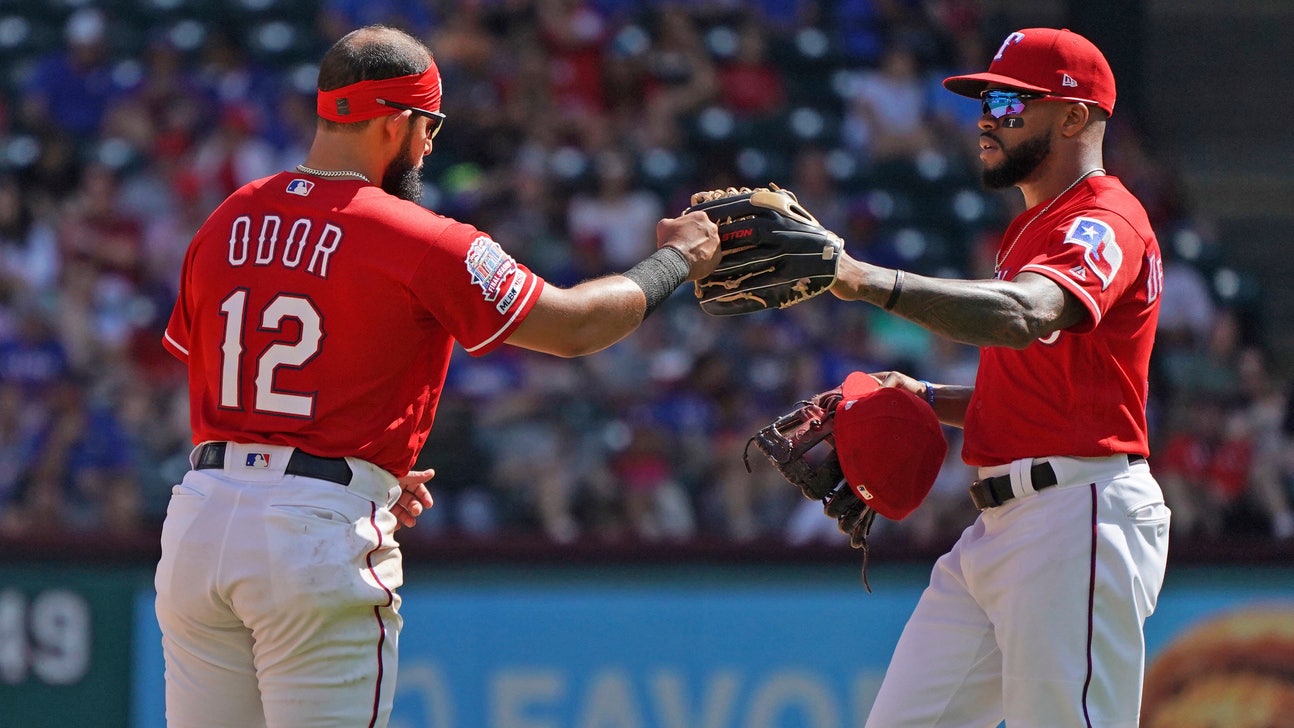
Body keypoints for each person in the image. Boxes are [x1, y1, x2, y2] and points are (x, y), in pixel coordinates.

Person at [155, 25, 718, 728]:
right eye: (430, 126)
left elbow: (230, 385)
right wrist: (678, 263)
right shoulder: (418, 236)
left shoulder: (228, 218)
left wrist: (359, 464)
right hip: (311, 541)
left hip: (200, 521)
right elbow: (575, 325)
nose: (429, 146)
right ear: (395, 122)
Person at [826, 28, 1171, 726]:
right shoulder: (1034, 226)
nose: (987, 116)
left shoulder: (1103, 216)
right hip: (1006, 525)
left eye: (1012, 103)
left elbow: (1028, 316)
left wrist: (868, 280)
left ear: (1074, 116)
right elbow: (1039, 389)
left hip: (1076, 514)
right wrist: (924, 398)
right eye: (985, 99)